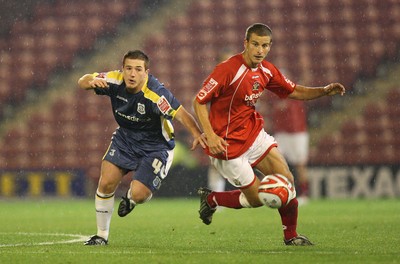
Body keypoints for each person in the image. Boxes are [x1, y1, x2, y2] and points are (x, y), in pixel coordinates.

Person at [193, 23, 345, 246]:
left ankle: (291, 236)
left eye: (264, 45)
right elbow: (199, 101)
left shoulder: (267, 70)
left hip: (253, 135)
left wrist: (322, 91)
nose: (259, 50)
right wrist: (211, 135)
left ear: (269, 47)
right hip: (227, 146)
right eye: (255, 44)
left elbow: (293, 90)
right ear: (245, 43)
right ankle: (211, 198)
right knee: (256, 200)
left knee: (287, 181)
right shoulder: (227, 69)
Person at [78, 50, 206, 245]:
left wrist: (197, 134)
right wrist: (89, 82)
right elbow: (83, 80)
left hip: (156, 146)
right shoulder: (115, 80)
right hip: (126, 139)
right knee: (105, 183)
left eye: (138, 69)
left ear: (146, 72)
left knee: (140, 194)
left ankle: (130, 199)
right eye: (128, 68)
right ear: (122, 69)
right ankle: (101, 236)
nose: (132, 74)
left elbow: (181, 114)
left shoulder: (156, 93)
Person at [271, 97, 310, 204]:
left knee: (300, 165)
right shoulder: (273, 92)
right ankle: (278, 192)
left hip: (297, 133)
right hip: (281, 133)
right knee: (275, 163)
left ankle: (304, 194)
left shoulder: (294, 91)